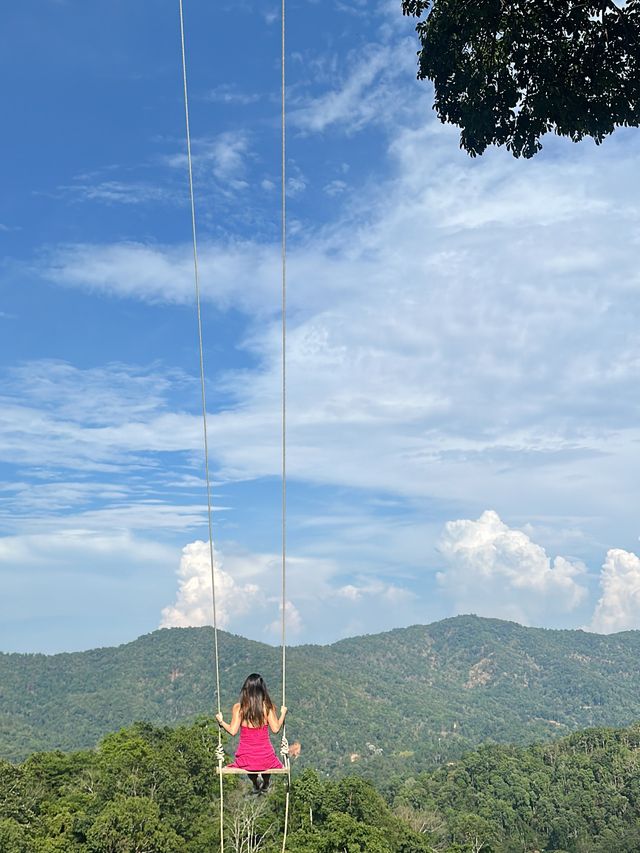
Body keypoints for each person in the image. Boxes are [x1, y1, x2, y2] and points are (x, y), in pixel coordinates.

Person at [216, 673, 288, 794]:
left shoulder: (239, 708)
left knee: (250, 765)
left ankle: (255, 783)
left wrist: (221, 722)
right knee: (266, 765)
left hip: (246, 758)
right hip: (266, 757)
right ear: (262, 690)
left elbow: (232, 731)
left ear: (246, 689)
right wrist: (283, 714)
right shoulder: (267, 707)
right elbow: (276, 729)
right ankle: (265, 783)